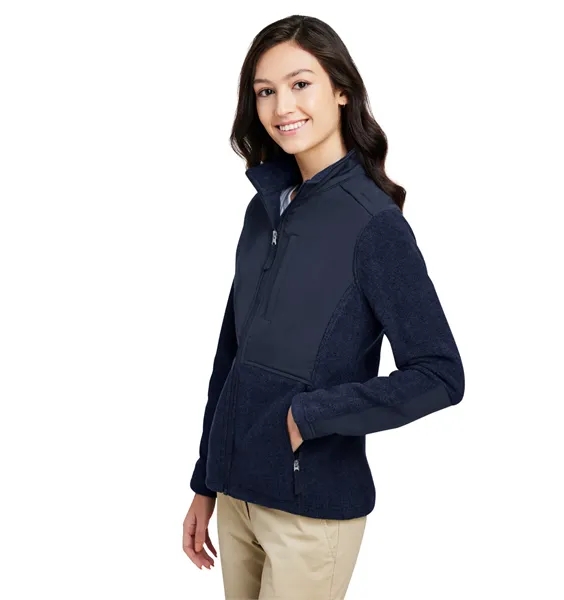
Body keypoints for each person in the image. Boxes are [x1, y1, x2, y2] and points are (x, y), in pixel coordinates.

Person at [182, 14, 465, 600]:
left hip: (309, 514)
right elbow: (230, 355)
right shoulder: (264, 209)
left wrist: (308, 416)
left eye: (300, 84)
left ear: (341, 90)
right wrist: (205, 481)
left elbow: (440, 374)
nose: (282, 105)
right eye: (265, 91)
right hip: (236, 498)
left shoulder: (375, 225)